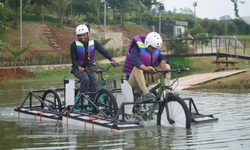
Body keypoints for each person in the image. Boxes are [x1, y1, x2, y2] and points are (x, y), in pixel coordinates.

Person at [70, 24, 120, 104]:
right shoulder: (74, 45)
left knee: (94, 83)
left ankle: (92, 103)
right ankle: (82, 100)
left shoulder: (93, 43)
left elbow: (103, 51)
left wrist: (112, 59)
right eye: (80, 35)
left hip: (90, 67)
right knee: (85, 79)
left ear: (87, 34)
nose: (82, 37)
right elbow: (73, 60)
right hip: (77, 68)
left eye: (84, 35)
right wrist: (79, 67)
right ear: (77, 36)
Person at [122, 32, 171, 102]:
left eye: (155, 48)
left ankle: (167, 92)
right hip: (134, 80)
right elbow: (136, 61)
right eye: (153, 48)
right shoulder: (135, 49)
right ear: (147, 43)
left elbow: (161, 57)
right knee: (137, 68)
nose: (154, 50)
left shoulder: (155, 50)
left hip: (148, 77)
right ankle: (146, 94)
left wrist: (163, 61)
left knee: (167, 66)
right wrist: (146, 68)